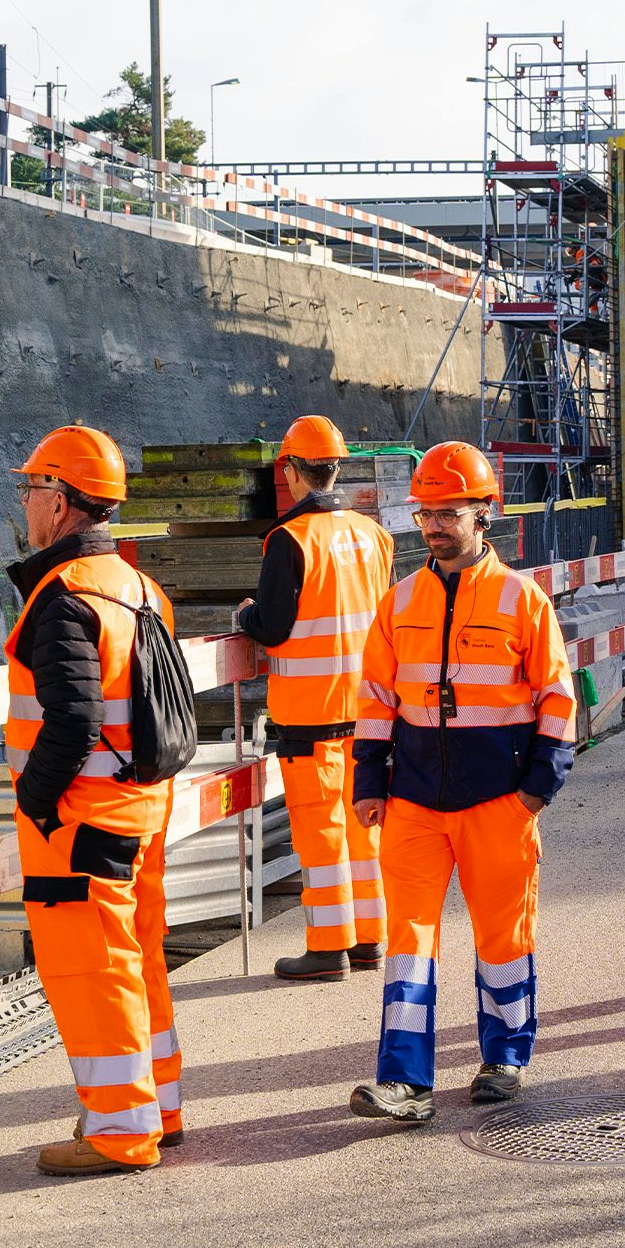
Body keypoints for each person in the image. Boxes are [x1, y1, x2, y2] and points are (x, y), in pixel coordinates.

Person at [347, 443, 576, 1124]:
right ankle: (405, 1083)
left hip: (499, 801)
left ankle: (504, 1058)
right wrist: (368, 780)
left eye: (448, 512)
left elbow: (558, 698)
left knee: (503, 937)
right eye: (426, 513)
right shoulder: (400, 602)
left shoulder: (521, 600)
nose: (434, 525)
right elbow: (377, 698)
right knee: (408, 942)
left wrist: (537, 786)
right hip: (414, 801)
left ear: (484, 513)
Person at [2, 425, 187, 1177]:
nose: (23, 502)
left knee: (94, 974)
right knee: (138, 961)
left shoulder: (63, 597)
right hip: (139, 810)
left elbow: (72, 720)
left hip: (78, 822)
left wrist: (36, 802)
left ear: (61, 503)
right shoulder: (138, 588)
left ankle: (119, 1134)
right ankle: (158, 1112)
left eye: (31, 489)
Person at [233, 416, 395, 983]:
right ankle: (371, 941)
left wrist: (246, 615)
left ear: (293, 472)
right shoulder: (373, 534)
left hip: (311, 714)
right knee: (364, 827)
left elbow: (273, 627)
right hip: (369, 711)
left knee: (321, 832)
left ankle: (328, 948)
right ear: (336, 468)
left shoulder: (290, 540)